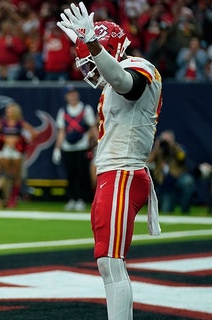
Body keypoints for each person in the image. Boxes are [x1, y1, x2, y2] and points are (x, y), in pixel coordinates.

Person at [58, 2, 162, 319]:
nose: (88, 68)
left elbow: (125, 84)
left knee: (110, 262)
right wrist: (86, 44)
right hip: (116, 174)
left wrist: (93, 44)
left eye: (92, 58)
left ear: (109, 48)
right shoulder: (118, 74)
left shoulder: (138, 67)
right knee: (109, 263)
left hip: (123, 173)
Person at [52, 85, 97, 211]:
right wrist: (57, 148)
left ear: (77, 94)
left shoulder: (85, 109)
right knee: (70, 174)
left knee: (81, 174)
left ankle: (81, 199)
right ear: (66, 97)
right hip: (67, 147)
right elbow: (61, 131)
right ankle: (72, 198)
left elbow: (92, 127)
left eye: (74, 93)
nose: (72, 96)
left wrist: (99, 142)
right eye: (69, 94)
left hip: (81, 146)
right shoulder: (63, 111)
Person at [0, 102, 38, 208]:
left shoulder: (20, 123)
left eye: (10, 110)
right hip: (6, 150)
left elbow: (34, 133)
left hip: (16, 151)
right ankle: (6, 198)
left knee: (16, 175)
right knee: (6, 174)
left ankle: (13, 199)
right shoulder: (3, 122)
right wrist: (2, 140)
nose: (8, 112)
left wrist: (24, 142)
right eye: (7, 111)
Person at [147, 130, 195, 214]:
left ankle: (185, 209)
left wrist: (173, 147)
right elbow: (148, 162)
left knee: (188, 181)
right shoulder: (158, 151)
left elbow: (182, 158)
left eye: (168, 140)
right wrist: (156, 148)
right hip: (165, 182)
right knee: (166, 211)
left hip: (178, 177)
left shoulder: (178, 148)